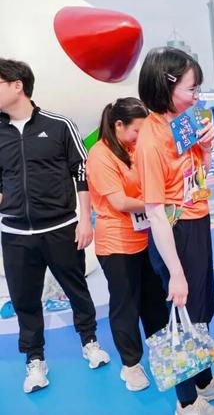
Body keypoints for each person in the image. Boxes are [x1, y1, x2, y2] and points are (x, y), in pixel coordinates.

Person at [136, 47, 214, 415]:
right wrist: (176, 273)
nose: (197, 95)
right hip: (174, 230)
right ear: (165, 86)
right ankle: (187, 403)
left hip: (197, 221)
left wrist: (209, 146)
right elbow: (155, 212)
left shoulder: (184, 122)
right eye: (191, 88)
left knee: (200, 310)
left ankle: (204, 381)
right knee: (181, 318)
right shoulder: (151, 140)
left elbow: (200, 174)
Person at [0, 58, 110, 393]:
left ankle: (89, 341)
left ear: (17, 85)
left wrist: (85, 220)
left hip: (62, 227)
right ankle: (35, 360)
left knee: (77, 290)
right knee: (25, 300)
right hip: (15, 233)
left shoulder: (60, 125)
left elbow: (82, 172)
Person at [86, 98, 169, 392]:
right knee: (126, 306)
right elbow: (120, 202)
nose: (140, 137)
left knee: (155, 300)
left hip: (146, 237)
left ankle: (161, 353)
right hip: (117, 243)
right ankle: (131, 365)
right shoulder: (100, 155)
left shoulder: (135, 148)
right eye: (136, 131)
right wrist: (158, 203)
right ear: (119, 125)